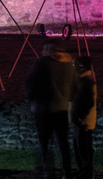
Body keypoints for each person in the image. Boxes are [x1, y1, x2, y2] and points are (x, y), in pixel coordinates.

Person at [26, 41, 77, 179]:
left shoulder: (42, 63)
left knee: (44, 143)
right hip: (62, 108)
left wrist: (31, 99)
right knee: (63, 143)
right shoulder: (70, 65)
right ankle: (66, 172)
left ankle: (49, 172)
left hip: (44, 109)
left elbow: (31, 83)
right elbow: (74, 86)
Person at [71, 56, 99, 179]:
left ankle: (86, 171)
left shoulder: (86, 82)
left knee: (84, 147)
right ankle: (83, 169)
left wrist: (80, 117)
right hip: (80, 119)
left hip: (84, 121)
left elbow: (87, 102)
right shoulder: (82, 80)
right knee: (78, 146)